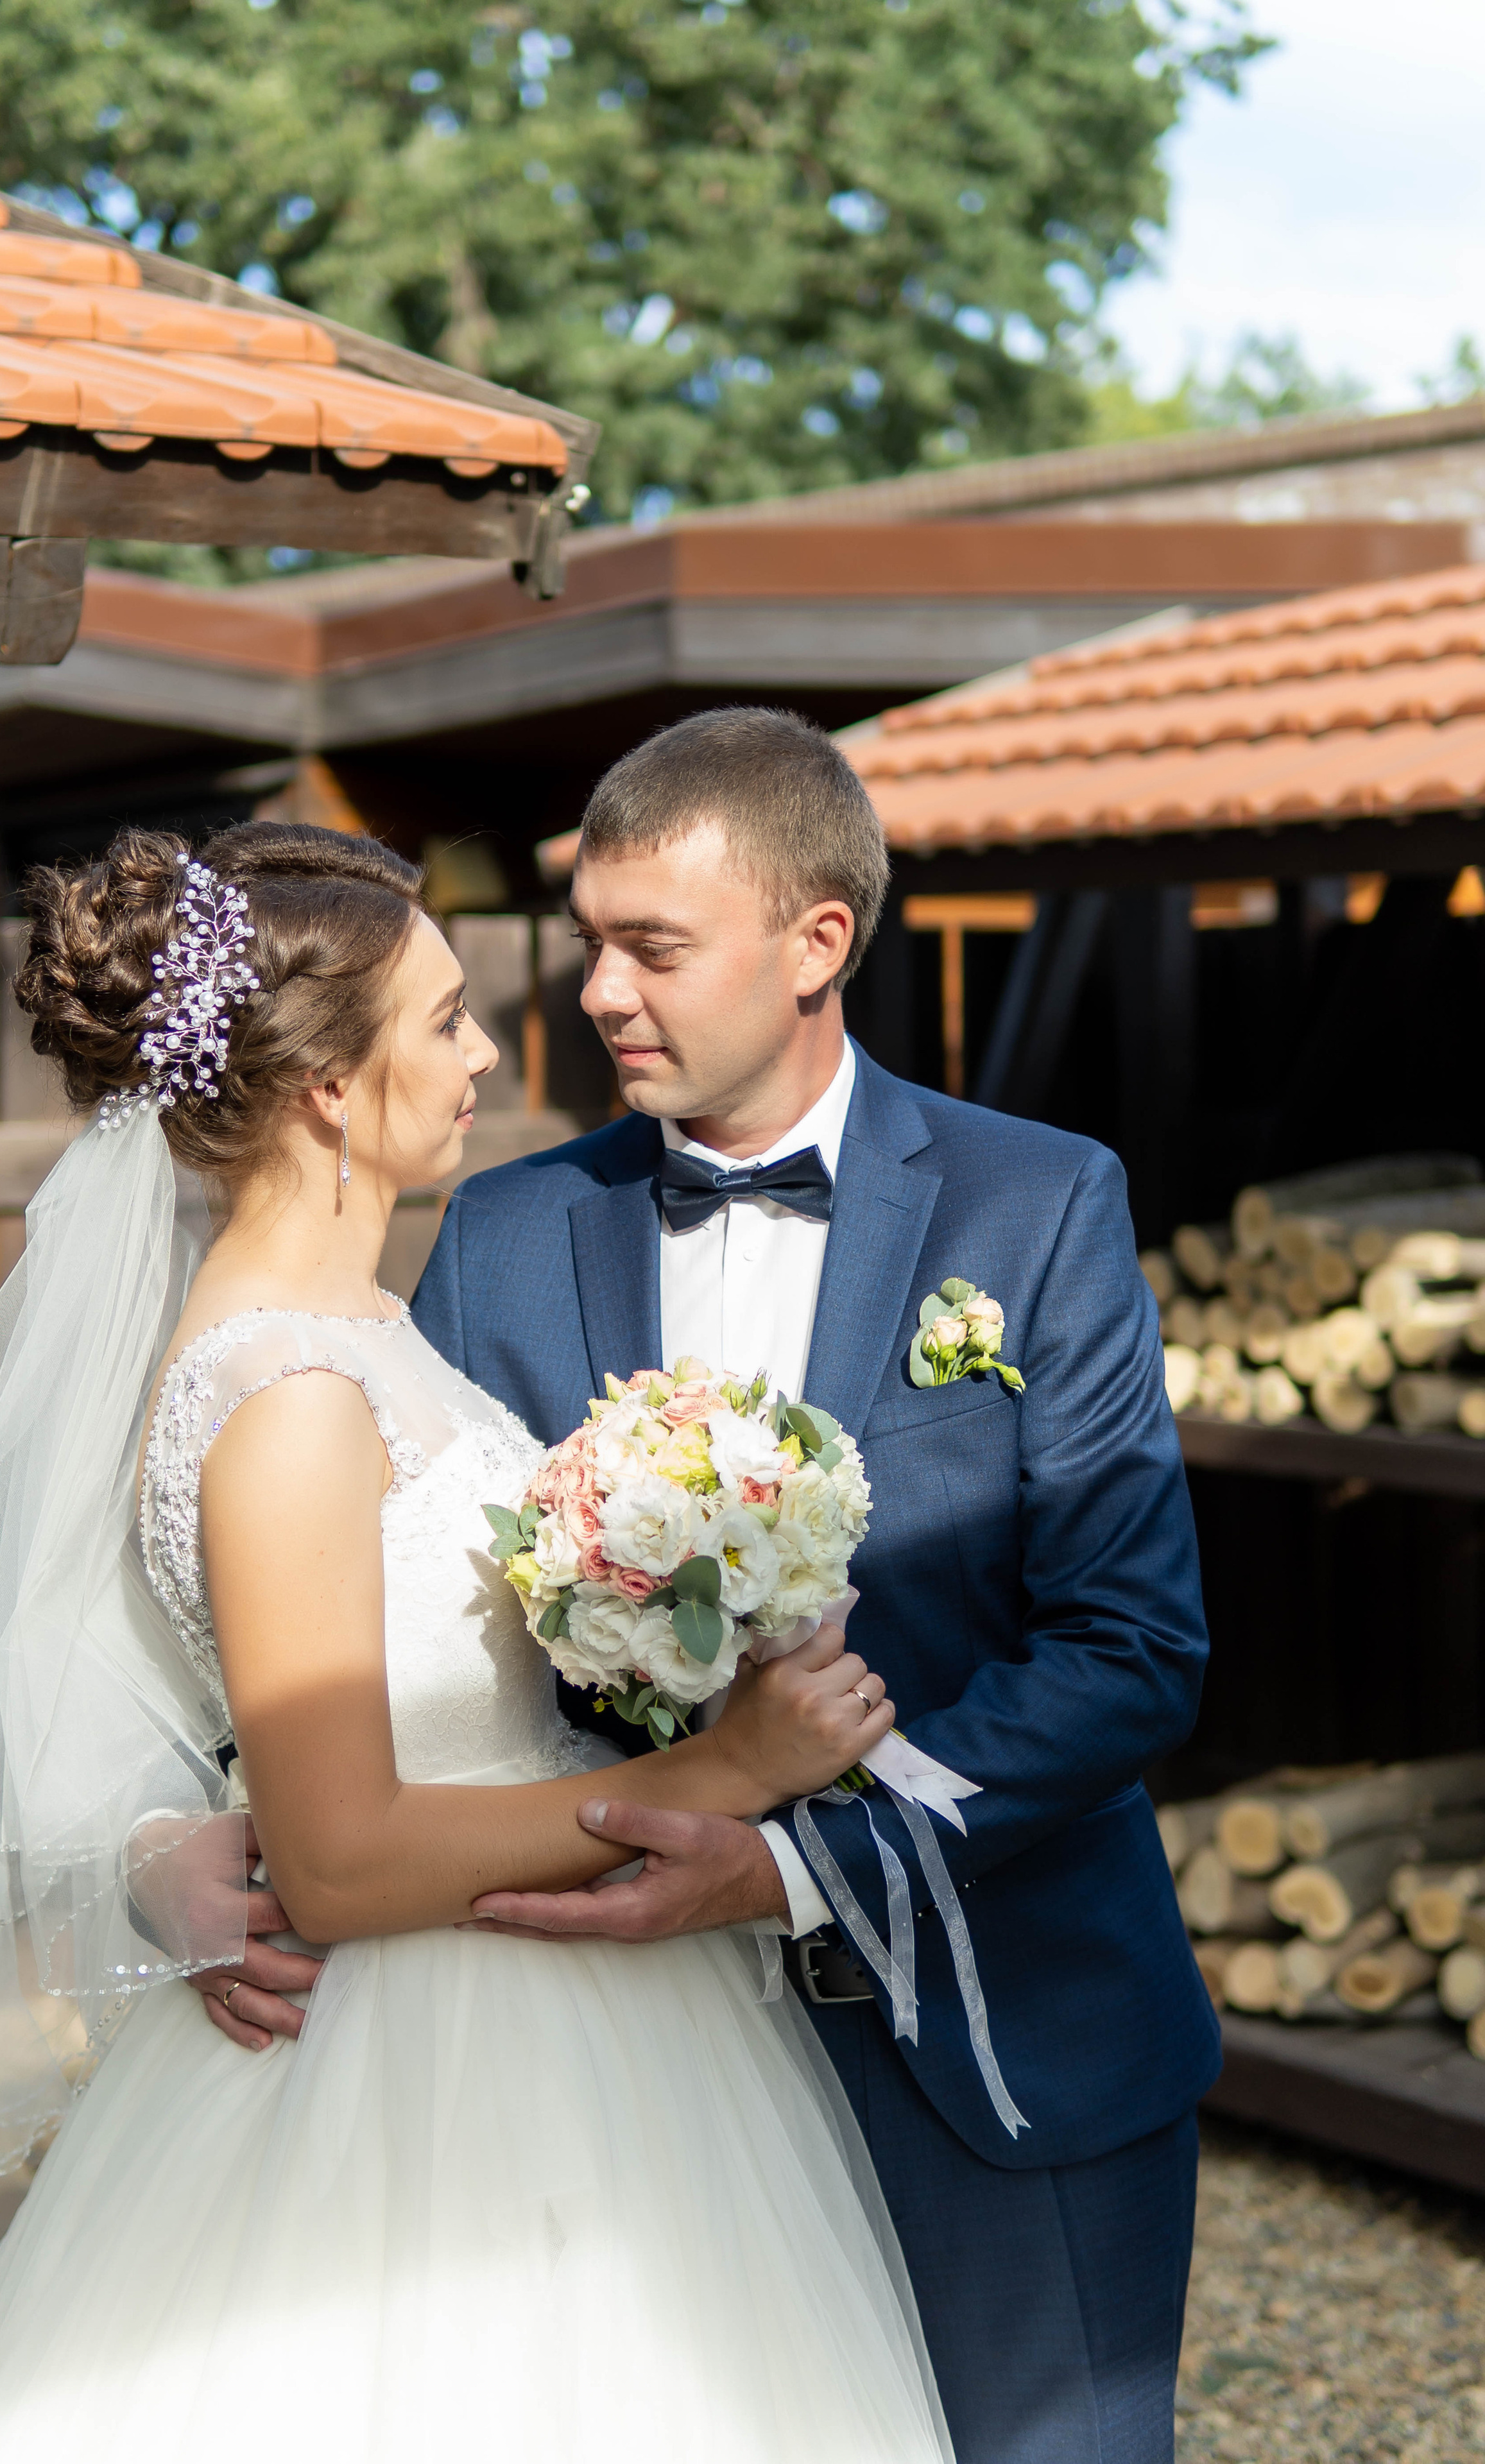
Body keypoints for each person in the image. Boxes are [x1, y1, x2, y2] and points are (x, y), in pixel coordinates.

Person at [0, 819, 951, 2463]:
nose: (483, 1051)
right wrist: (733, 1767)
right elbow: (344, 1861)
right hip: (423, 2057)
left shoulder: (367, 1330)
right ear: (325, 1087)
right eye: (443, 1019)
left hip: (557, 2007)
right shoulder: (288, 1400)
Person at [400, 708, 1222, 2463]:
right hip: (626, 2075)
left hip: (1007, 2043)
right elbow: (395, 1615)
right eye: (589, 941)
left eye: (654, 948)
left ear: (816, 943)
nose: (599, 993)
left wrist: (794, 1865)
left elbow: (1134, 1649)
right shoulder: (499, 1236)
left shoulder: (1041, 1206)